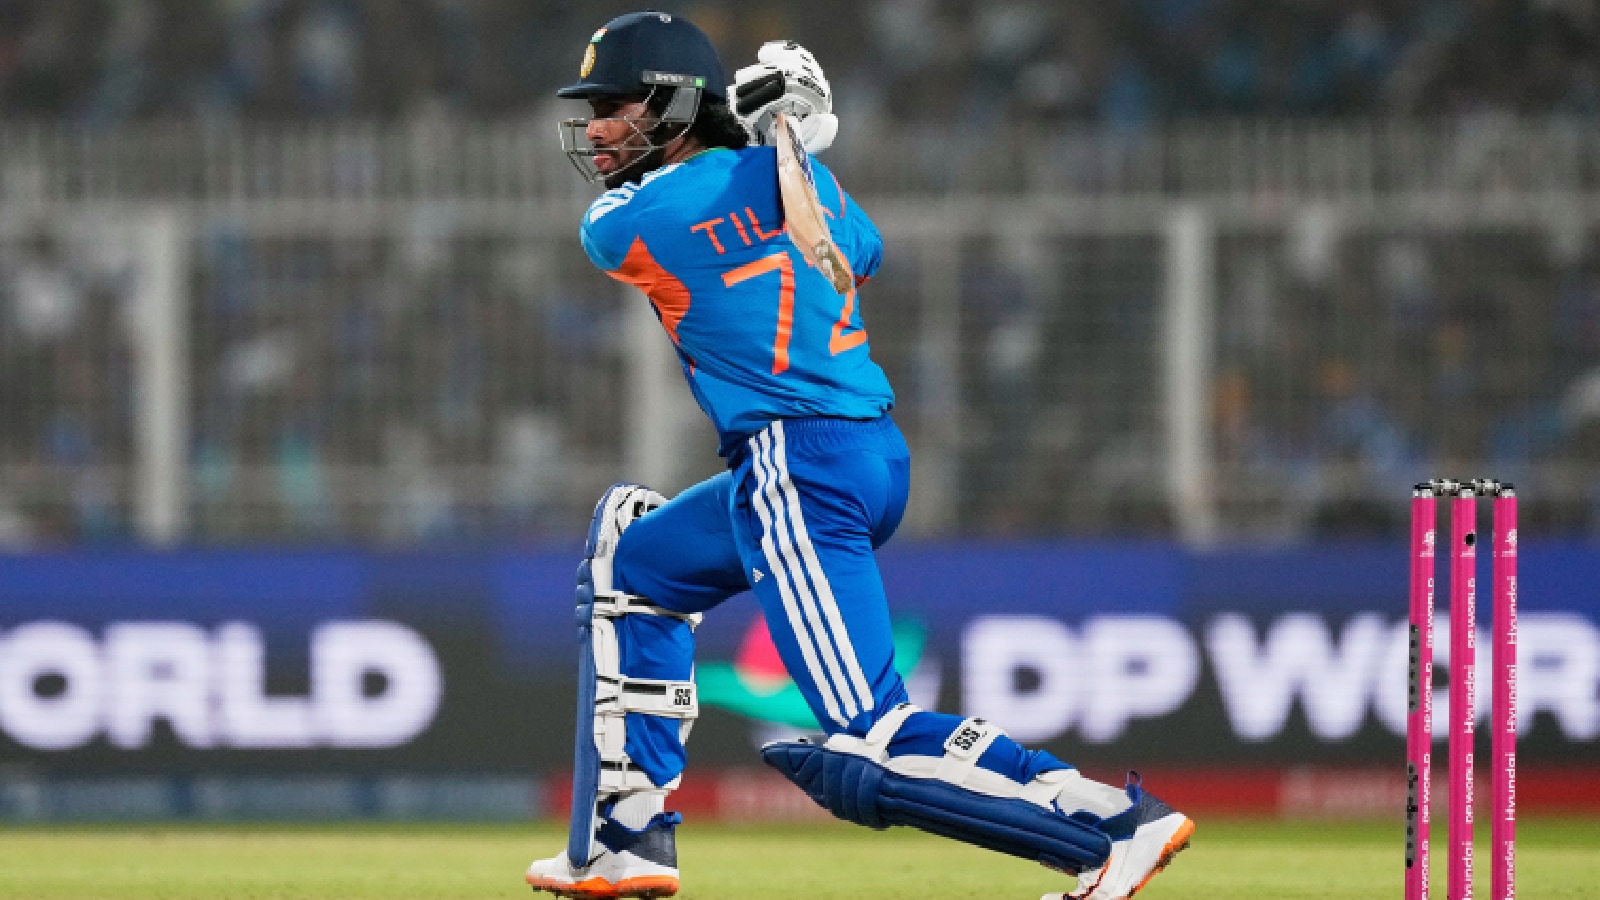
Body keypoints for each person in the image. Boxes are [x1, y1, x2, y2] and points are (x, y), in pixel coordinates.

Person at [525, 12, 1194, 900]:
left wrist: (775, 143)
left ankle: (1107, 823)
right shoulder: (814, 189)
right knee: (634, 563)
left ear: (677, 104)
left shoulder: (628, 216)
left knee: (869, 735)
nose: (597, 131)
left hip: (795, 467)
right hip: (867, 454)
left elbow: (669, 224)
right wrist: (788, 143)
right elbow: (856, 256)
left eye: (614, 107)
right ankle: (627, 840)